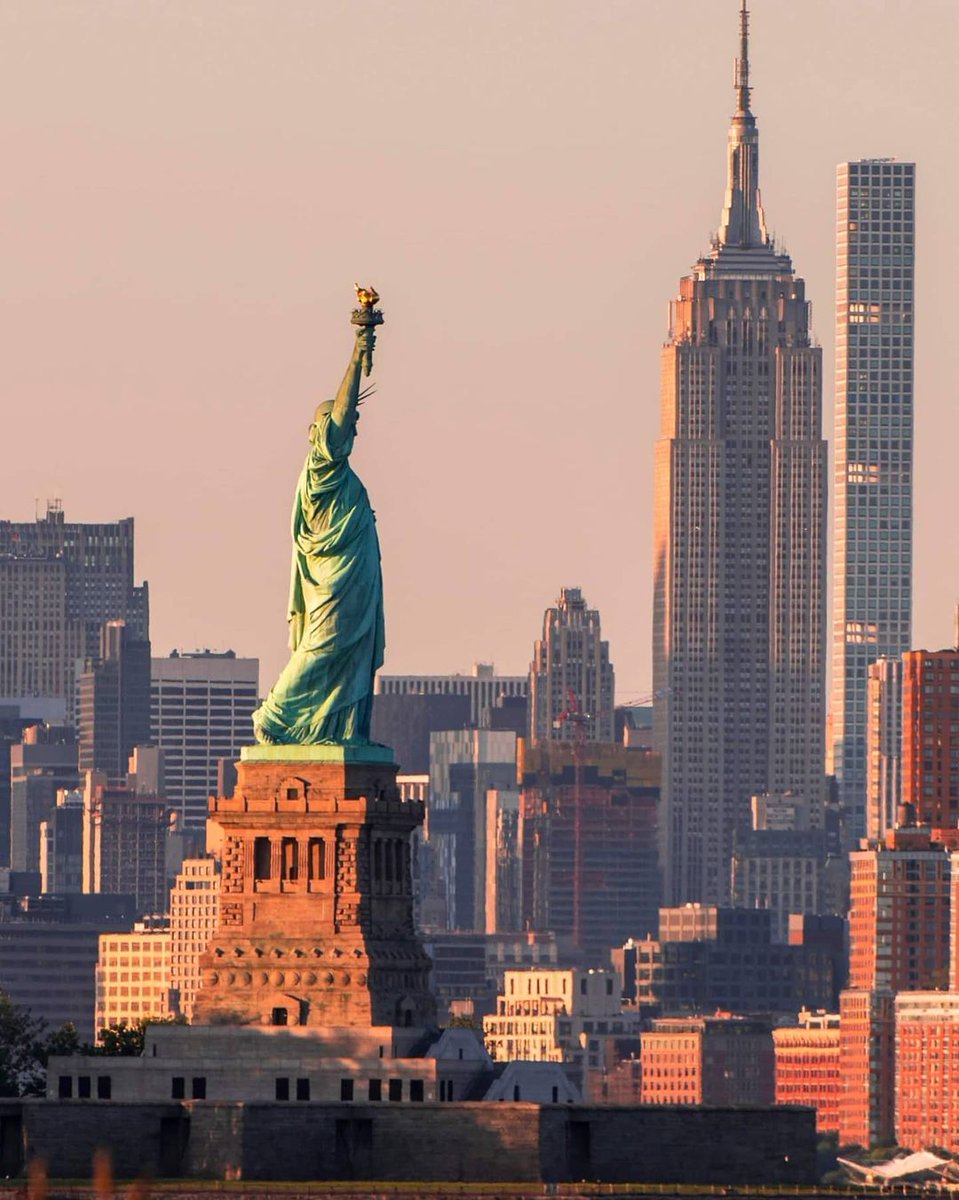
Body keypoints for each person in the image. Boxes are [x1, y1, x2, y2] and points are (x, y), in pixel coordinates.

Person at [252, 324, 384, 744]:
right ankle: (274, 717)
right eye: (346, 425)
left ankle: (338, 727)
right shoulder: (321, 468)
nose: (353, 431)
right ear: (322, 430)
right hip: (333, 584)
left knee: (346, 656)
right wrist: (356, 354)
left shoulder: (340, 475)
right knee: (321, 649)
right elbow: (343, 415)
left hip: (353, 583)